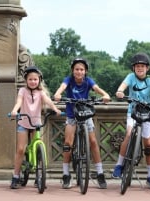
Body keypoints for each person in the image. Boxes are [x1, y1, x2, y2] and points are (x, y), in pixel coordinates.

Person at [111, 52, 150, 190]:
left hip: (147, 114)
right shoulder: (130, 77)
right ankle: (119, 165)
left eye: (142, 66)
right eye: (137, 66)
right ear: (133, 68)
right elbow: (122, 86)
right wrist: (120, 91)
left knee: (148, 143)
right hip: (133, 112)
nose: (140, 68)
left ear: (147, 68)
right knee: (129, 135)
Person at [53, 58, 110, 189]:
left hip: (85, 114)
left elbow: (97, 88)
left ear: (85, 71)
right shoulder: (68, 80)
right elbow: (62, 88)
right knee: (68, 143)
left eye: (82, 70)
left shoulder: (88, 81)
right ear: (73, 71)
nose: (79, 72)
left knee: (93, 142)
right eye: (77, 69)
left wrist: (105, 94)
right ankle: (66, 174)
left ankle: (100, 173)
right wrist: (57, 94)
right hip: (72, 115)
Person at [10, 66, 61, 189]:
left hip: (36, 123)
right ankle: (16, 176)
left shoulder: (40, 92)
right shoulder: (22, 91)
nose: (33, 82)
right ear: (26, 80)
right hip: (23, 121)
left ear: (39, 80)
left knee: (38, 148)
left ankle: (39, 176)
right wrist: (14, 110)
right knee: (21, 149)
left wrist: (55, 109)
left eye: (35, 79)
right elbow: (19, 102)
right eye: (30, 79)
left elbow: (48, 101)